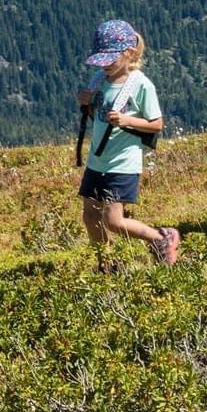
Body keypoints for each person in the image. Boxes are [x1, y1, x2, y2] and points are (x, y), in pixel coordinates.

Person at [77, 20, 179, 268]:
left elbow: (156, 124)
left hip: (122, 164)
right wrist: (86, 104)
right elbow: (99, 119)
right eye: (102, 60)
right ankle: (106, 263)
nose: (105, 65)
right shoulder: (99, 80)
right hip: (96, 161)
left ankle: (160, 238)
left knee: (113, 221)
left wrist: (126, 120)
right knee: (90, 216)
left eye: (110, 59)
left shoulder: (141, 84)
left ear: (129, 53)